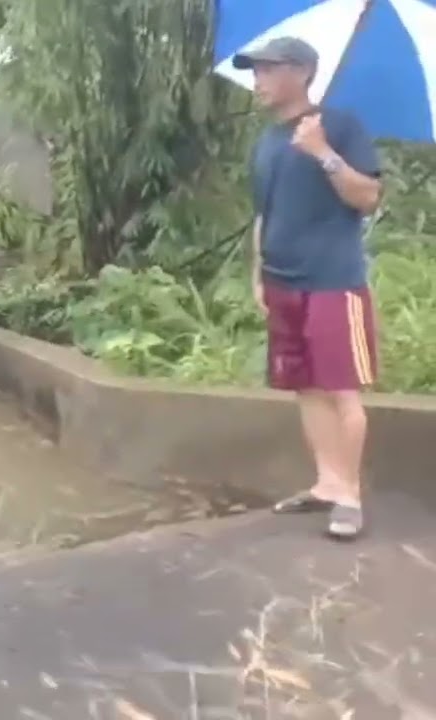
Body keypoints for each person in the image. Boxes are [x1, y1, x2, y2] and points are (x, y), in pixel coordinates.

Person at [233, 37, 383, 540]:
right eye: (254, 71)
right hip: (283, 282)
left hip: (333, 281)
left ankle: (350, 496)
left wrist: (323, 153)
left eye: (267, 70)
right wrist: (258, 272)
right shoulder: (267, 141)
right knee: (306, 388)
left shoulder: (340, 127)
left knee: (341, 391)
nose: (257, 81)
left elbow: (368, 197)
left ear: (301, 72)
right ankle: (327, 483)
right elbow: (263, 214)